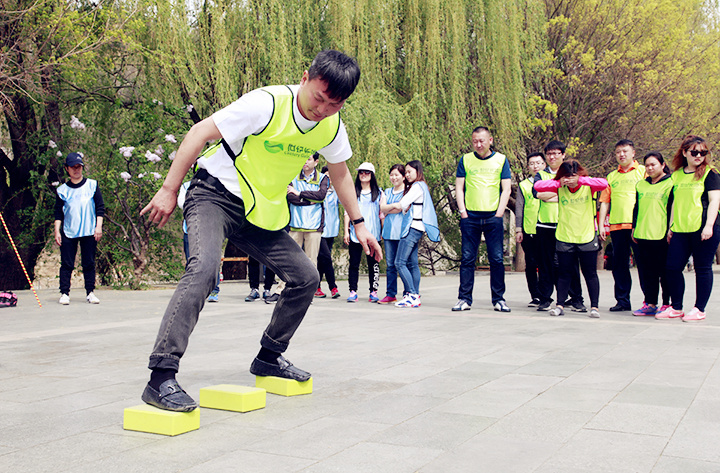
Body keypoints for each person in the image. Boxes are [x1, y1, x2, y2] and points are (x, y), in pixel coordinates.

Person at [139, 50, 382, 412]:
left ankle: (269, 356)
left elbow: (340, 172)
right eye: (319, 98)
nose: (322, 110)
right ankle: (161, 376)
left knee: (305, 277)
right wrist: (169, 189)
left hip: (257, 212)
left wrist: (359, 223)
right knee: (203, 269)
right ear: (305, 78)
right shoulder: (266, 103)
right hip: (213, 196)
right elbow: (199, 132)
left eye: (334, 104)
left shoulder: (332, 125)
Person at [656, 135, 720, 322]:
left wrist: (708, 226)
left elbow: (715, 200)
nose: (699, 156)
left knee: (702, 268)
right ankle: (676, 307)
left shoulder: (710, 173)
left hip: (703, 228)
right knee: (672, 267)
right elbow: (675, 203)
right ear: (684, 153)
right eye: (694, 152)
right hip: (681, 229)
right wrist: (671, 227)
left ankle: (699, 309)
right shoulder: (676, 175)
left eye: (703, 152)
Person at [534, 160, 608, 319]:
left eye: (573, 175)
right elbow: (538, 186)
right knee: (564, 273)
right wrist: (558, 182)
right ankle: (560, 305)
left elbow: (604, 183)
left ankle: (594, 307)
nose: (570, 179)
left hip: (586, 236)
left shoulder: (588, 185)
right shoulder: (560, 186)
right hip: (565, 236)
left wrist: (581, 180)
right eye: (567, 176)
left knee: (590, 273)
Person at [452, 126, 511, 312]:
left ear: (490, 140)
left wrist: (499, 213)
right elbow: (459, 187)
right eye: (475, 141)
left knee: (497, 259)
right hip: (470, 217)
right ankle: (464, 298)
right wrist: (463, 212)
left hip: (493, 216)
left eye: (482, 141)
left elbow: (506, 189)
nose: (478, 144)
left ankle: (499, 299)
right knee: (467, 259)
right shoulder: (465, 160)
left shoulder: (501, 160)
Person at [533, 140, 586, 312]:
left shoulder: (571, 173)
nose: (552, 157)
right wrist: (560, 191)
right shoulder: (541, 175)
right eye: (549, 154)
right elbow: (538, 194)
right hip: (545, 225)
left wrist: (553, 195)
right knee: (545, 264)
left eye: (556, 153)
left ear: (563, 155)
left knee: (570, 264)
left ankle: (576, 299)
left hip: (567, 225)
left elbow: (574, 194)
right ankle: (545, 299)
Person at [598, 139, 646, 312]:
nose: (622, 154)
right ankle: (622, 301)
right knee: (619, 265)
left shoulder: (643, 171)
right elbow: (605, 202)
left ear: (633, 153)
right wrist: (601, 225)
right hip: (617, 227)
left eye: (625, 151)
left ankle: (650, 301)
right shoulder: (612, 176)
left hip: (638, 226)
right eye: (618, 152)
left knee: (644, 264)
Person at [384, 160, 440, 308]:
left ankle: (412, 295)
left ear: (417, 171)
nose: (407, 175)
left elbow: (401, 204)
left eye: (409, 172)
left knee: (399, 262)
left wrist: (385, 207)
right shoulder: (422, 186)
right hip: (418, 228)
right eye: (406, 172)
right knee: (413, 264)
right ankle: (414, 295)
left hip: (412, 228)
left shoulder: (417, 186)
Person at [54, 152, 104, 305]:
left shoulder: (92, 185)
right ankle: (64, 293)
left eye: (79, 167)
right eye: (73, 167)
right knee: (67, 263)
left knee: (88, 262)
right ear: (67, 169)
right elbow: (58, 212)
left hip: (89, 229)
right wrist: (57, 231)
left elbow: (100, 208)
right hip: (69, 230)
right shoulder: (62, 190)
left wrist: (98, 227)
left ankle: (90, 292)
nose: (76, 170)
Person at [631, 152, 673, 316]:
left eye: (653, 164)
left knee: (664, 272)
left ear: (662, 165)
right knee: (647, 272)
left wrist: (671, 229)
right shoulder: (641, 185)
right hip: (642, 234)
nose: (650, 168)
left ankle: (666, 303)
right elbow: (637, 208)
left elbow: (673, 208)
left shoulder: (671, 183)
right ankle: (650, 303)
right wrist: (634, 227)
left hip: (661, 235)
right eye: (647, 165)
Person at [344, 162, 383, 303]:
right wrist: (346, 231)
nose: (363, 174)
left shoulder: (379, 193)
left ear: (372, 175)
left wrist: (382, 231)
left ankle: (374, 291)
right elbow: (347, 213)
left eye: (367, 172)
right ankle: (353, 291)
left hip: (373, 234)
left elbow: (382, 214)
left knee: (374, 264)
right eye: (361, 172)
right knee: (354, 263)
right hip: (356, 235)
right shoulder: (353, 192)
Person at [179, 180, 220, 302]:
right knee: (191, 261)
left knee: (212, 260)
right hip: (190, 230)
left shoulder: (215, 183)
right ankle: (191, 291)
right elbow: (181, 203)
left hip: (211, 229)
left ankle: (214, 290)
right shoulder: (186, 185)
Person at [515, 152, 546, 307]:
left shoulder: (551, 182)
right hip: (530, 229)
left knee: (548, 263)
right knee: (531, 263)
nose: (535, 166)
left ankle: (547, 294)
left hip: (547, 228)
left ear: (544, 165)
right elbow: (519, 208)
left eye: (538, 163)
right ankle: (535, 295)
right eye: (532, 164)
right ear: (528, 167)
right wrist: (518, 229)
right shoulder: (524, 185)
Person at [287, 152, 329, 266]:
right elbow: (290, 197)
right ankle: (288, 280)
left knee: (311, 262)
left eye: (308, 159)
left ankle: (311, 280)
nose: (305, 161)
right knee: (291, 261)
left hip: (314, 226)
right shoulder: (292, 176)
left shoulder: (323, 178)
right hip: (295, 225)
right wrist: (310, 201)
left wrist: (299, 193)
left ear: (316, 162)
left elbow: (321, 196)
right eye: (303, 158)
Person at [378, 164, 408, 304]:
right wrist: (394, 206)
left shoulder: (407, 192)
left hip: (403, 232)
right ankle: (391, 294)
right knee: (390, 265)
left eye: (397, 175)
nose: (394, 177)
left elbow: (401, 208)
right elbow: (382, 208)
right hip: (389, 232)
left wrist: (389, 208)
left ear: (403, 176)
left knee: (404, 264)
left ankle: (408, 292)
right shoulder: (387, 192)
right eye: (391, 175)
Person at [315, 165, 341, 299]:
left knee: (323, 259)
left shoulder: (336, 192)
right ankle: (333, 287)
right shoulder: (318, 191)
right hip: (319, 229)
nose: (329, 178)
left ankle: (317, 287)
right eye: (327, 176)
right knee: (326, 257)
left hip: (332, 230)